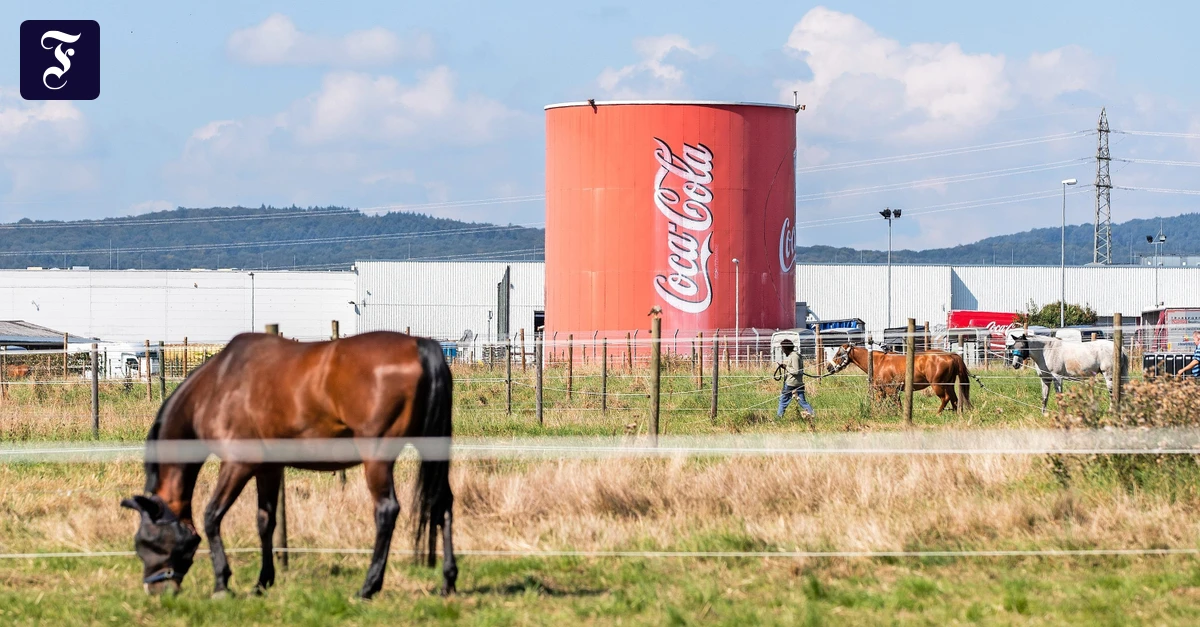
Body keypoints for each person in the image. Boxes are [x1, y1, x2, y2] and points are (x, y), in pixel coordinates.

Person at [776, 339, 815, 419]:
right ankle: (812, 415)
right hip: (798, 383)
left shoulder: (794, 356)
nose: (783, 351)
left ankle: (778, 418)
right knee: (802, 402)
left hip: (791, 384)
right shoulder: (796, 355)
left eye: (783, 349)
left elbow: (796, 371)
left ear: (786, 348)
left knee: (783, 401)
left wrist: (786, 367)